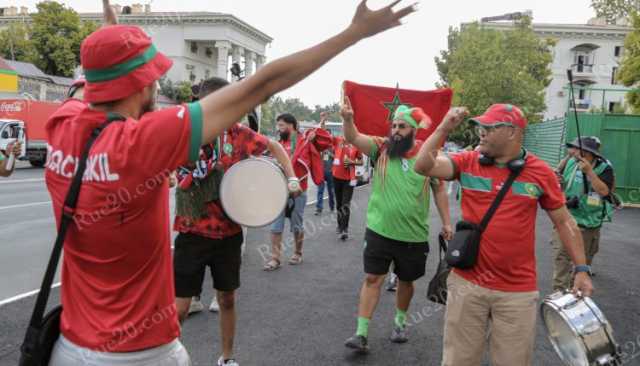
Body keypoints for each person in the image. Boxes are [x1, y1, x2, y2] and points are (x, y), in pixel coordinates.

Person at [44, 1, 417, 365]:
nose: (157, 88)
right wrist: (354, 33)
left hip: (70, 344)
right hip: (138, 352)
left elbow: (92, 90)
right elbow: (264, 83)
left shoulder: (62, 126)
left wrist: (111, 39)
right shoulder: (141, 142)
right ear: (141, 85)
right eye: (153, 79)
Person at [413, 103, 594, 366]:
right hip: (467, 285)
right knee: (458, 361)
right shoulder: (468, 161)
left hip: (516, 292)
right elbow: (423, 165)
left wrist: (581, 268)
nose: (481, 133)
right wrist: (443, 128)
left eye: (489, 127)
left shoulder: (540, 172)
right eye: (480, 128)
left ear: (511, 131)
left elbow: (565, 222)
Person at [172, 77, 298, 366]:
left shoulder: (239, 134)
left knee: (227, 299)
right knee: (179, 308)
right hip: (192, 231)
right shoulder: (185, 132)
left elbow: (277, 149)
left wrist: (291, 177)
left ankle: (227, 358)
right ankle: (171, 360)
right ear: (203, 104)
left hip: (228, 233)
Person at [340, 100, 453, 352]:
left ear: (413, 130)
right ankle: (361, 333)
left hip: (413, 235)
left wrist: (447, 222)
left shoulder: (427, 155)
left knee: (406, 281)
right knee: (372, 278)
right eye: (394, 125)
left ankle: (400, 323)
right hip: (379, 230)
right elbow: (354, 137)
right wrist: (348, 119)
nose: (396, 130)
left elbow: (440, 190)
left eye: (402, 126)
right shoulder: (381, 148)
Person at [264, 113, 331, 270]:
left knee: (296, 226)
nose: (278, 128)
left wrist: (318, 132)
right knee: (276, 227)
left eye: (281, 125)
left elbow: (325, 142)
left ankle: (298, 252)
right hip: (279, 192)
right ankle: (275, 258)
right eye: (278, 125)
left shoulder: (305, 140)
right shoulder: (277, 144)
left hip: (298, 192)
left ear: (291, 126)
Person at [552, 136, 615, 290]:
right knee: (561, 258)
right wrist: (559, 184)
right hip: (567, 219)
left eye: (576, 148)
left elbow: (604, 191)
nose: (573, 151)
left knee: (582, 263)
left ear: (588, 153)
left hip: (589, 224)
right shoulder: (570, 162)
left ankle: (576, 295)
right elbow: (559, 181)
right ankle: (559, 294)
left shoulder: (604, 168)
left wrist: (589, 172)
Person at [331, 135, 363, 241]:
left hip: (349, 179)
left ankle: (345, 229)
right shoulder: (338, 140)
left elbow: (361, 161)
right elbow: (325, 135)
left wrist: (351, 162)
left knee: (345, 204)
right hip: (336, 177)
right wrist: (323, 120)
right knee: (339, 203)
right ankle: (339, 225)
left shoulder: (356, 144)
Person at [315, 112, 336, 215]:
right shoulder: (320, 146)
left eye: (328, 135)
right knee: (320, 191)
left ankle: (332, 207)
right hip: (321, 171)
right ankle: (319, 208)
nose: (326, 137)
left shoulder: (333, 146)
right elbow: (321, 130)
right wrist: (323, 120)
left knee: (331, 192)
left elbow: (338, 159)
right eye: (325, 135)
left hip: (331, 172)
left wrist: (330, 154)